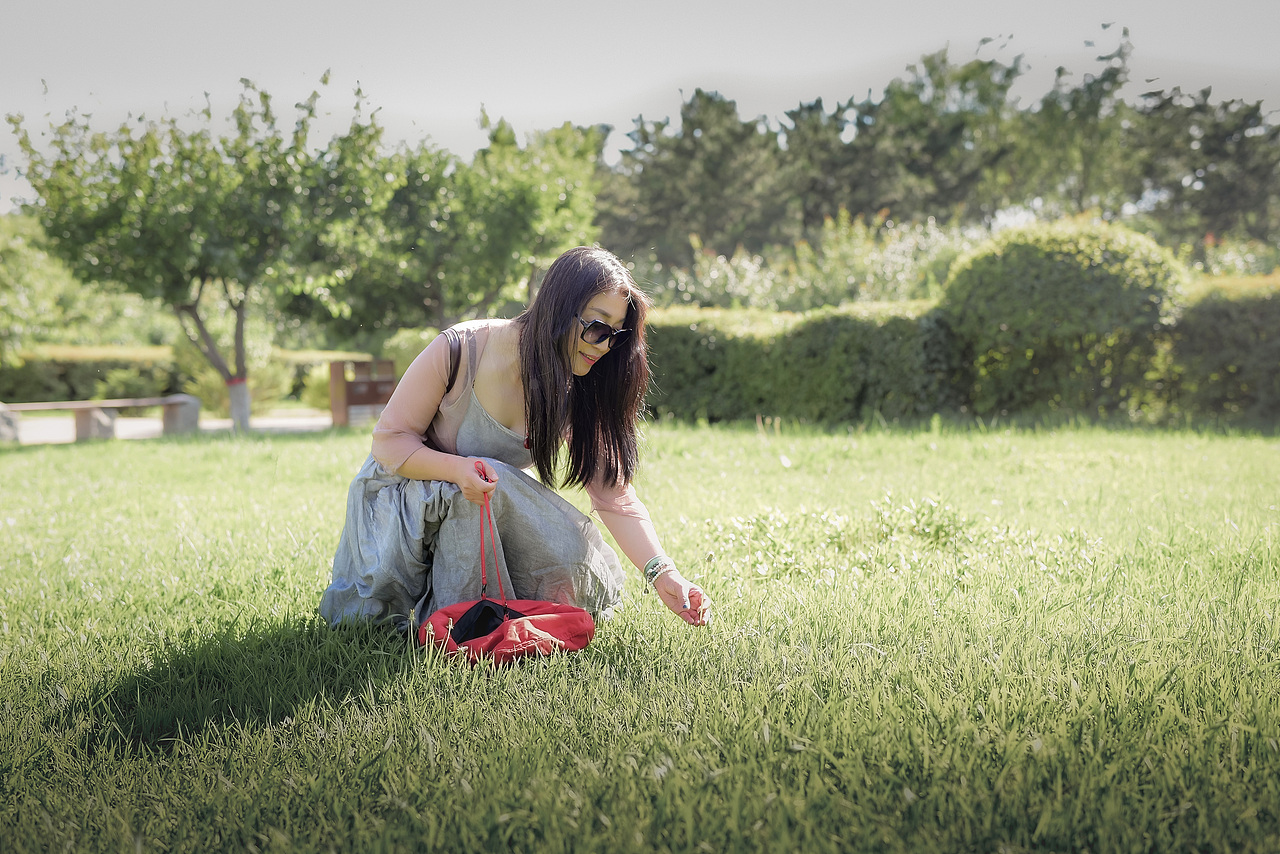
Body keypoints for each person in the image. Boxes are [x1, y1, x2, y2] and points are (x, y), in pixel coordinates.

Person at [319, 246, 712, 632]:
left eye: (617, 336)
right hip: (402, 509)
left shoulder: (577, 384)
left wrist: (664, 573)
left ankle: (468, 614)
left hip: (480, 510)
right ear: (558, 309)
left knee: (571, 564)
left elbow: (614, 495)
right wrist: (457, 469)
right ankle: (452, 617)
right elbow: (389, 442)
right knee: (482, 482)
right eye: (597, 328)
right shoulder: (460, 349)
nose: (605, 346)